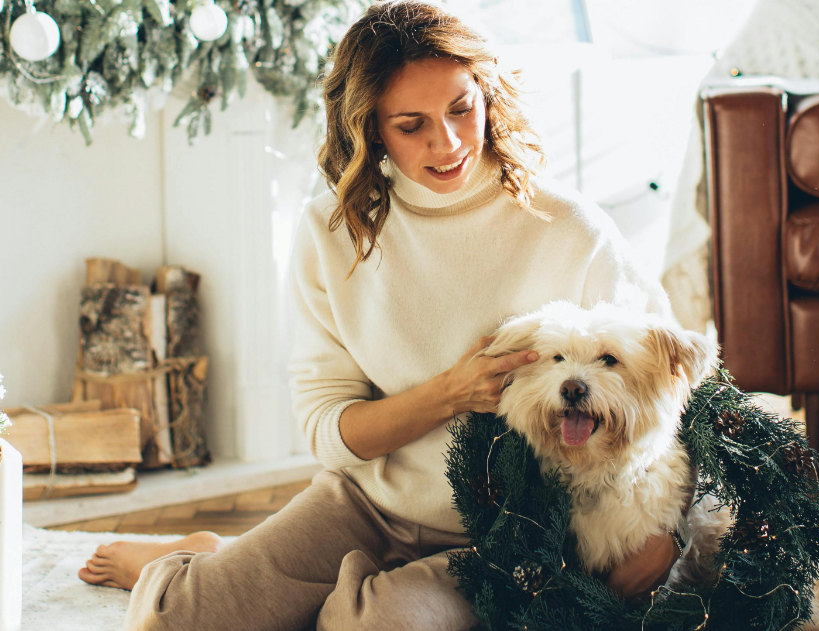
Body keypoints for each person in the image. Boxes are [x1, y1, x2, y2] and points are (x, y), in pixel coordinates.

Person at [78, 1, 683, 629]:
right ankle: (202, 560)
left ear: (488, 97)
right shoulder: (330, 230)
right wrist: (450, 393)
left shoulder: (573, 230)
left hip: (506, 536)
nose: (446, 143)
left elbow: (675, 381)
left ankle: (314, 586)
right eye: (411, 124)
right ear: (370, 129)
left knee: (367, 624)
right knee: (181, 617)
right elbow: (326, 427)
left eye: (460, 109)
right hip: (363, 504)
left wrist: (667, 532)